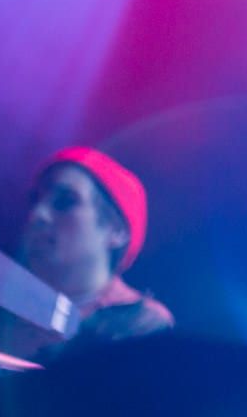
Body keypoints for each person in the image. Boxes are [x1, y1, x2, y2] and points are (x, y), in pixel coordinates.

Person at [19, 146, 173, 344]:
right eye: (35, 201)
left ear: (117, 230)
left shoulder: (140, 324)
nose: (37, 214)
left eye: (65, 201)